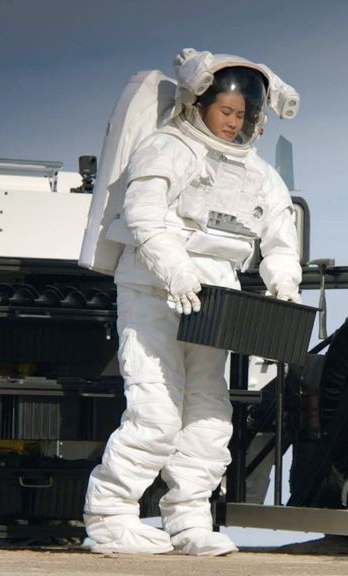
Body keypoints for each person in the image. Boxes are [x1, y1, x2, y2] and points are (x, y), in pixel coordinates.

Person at [81, 49, 302, 556]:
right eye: (226, 111)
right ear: (197, 103)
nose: (234, 122)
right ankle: (111, 518)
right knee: (155, 412)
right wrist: (176, 271)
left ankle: (188, 521)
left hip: (213, 299)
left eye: (244, 115)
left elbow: (280, 237)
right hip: (153, 292)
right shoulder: (166, 148)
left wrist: (283, 281)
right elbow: (145, 216)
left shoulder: (260, 174)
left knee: (208, 414)